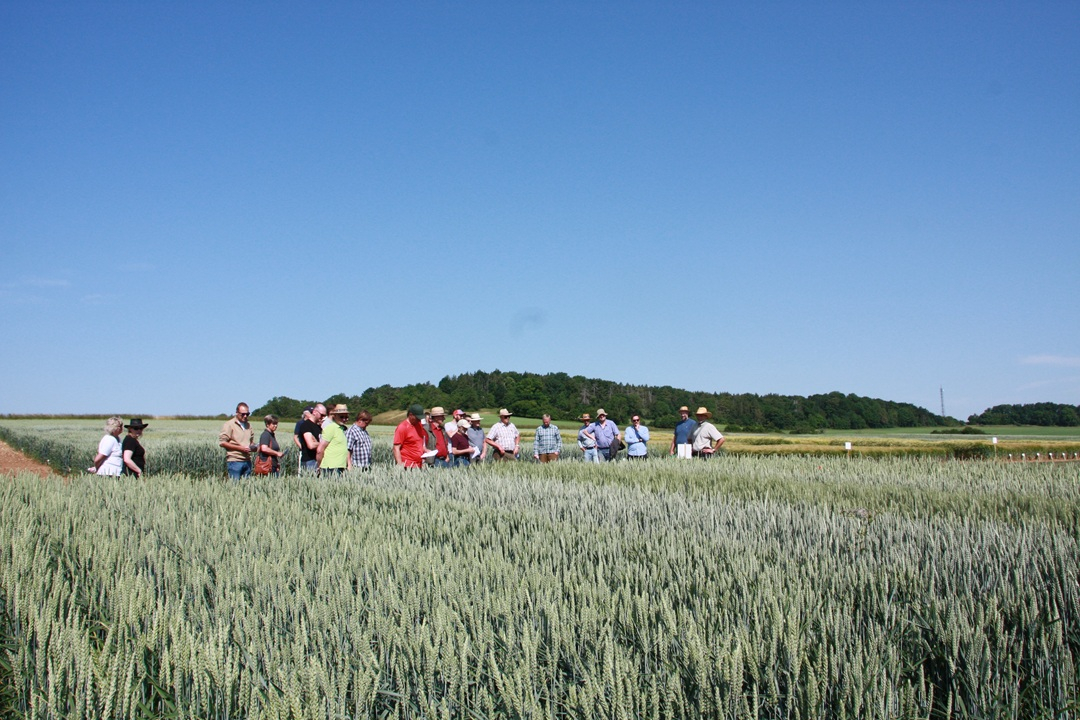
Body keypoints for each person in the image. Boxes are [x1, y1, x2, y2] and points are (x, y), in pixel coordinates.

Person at [219, 403, 256, 480]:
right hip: (235, 460)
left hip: (247, 460)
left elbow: (251, 442)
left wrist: (254, 447)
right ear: (237, 413)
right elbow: (222, 442)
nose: (245, 416)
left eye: (247, 414)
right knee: (235, 487)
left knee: (247, 487)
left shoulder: (249, 425)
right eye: (243, 414)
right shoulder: (229, 424)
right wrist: (240, 448)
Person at [316, 404, 350, 474]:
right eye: (341, 417)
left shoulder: (342, 429)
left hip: (340, 467)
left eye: (346, 417)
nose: (344, 419)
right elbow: (320, 449)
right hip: (330, 468)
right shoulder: (330, 428)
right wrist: (319, 466)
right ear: (335, 416)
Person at [393, 404, 427, 468]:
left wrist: (426, 451)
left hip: (419, 465)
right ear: (410, 415)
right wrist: (400, 465)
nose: (419, 420)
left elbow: (419, 443)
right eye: (417, 418)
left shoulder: (419, 425)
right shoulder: (402, 427)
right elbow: (396, 448)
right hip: (407, 465)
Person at [297, 403, 326, 472]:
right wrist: (323, 444)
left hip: (317, 459)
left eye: (325, 416)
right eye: (322, 415)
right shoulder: (306, 425)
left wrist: (317, 442)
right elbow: (311, 445)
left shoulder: (318, 427)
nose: (323, 417)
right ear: (315, 412)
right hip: (309, 461)